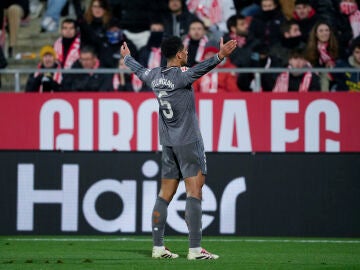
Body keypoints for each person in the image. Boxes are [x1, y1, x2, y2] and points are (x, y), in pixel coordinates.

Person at [120, 36, 237, 259]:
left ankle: (158, 247)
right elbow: (201, 69)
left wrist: (127, 58)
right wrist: (220, 56)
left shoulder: (154, 76)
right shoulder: (182, 76)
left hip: (167, 143)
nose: (188, 54)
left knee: (164, 195)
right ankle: (194, 249)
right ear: (180, 54)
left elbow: (140, 71)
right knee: (195, 193)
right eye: (185, 51)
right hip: (189, 142)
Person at [305, 21, 339, 91]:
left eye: (327, 30)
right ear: (316, 34)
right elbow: (311, 66)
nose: (325, 33)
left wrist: (333, 63)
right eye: (321, 31)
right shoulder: (309, 50)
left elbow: (342, 63)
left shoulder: (338, 47)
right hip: (318, 77)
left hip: (337, 75)